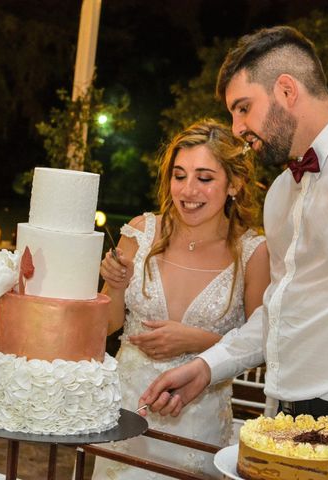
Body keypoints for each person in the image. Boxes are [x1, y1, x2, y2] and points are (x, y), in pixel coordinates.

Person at [139, 25, 328, 478]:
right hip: (282, 420)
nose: (237, 130)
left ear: (286, 90)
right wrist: (208, 367)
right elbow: (279, 308)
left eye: (243, 109)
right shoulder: (281, 192)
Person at [91, 119, 270, 479]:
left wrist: (200, 341)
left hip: (198, 424)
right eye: (179, 175)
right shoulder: (141, 232)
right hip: (125, 413)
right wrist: (114, 285)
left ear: (234, 184)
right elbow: (106, 325)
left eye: (204, 178)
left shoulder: (254, 252)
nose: (188, 191)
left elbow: (264, 342)